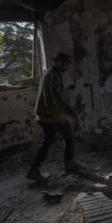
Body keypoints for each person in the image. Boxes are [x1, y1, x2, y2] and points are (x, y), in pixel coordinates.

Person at [27, 52, 82, 182]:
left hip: (42, 115)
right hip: (53, 116)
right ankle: (69, 164)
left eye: (67, 63)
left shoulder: (48, 73)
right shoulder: (55, 76)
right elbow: (56, 98)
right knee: (69, 138)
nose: (65, 65)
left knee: (46, 141)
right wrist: (71, 113)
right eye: (62, 62)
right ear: (56, 61)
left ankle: (33, 170)